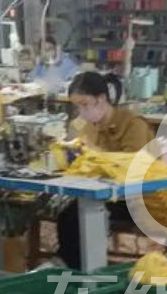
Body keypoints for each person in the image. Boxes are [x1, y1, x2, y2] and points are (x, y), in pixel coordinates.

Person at [57, 70, 154, 268]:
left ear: (101, 99)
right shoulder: (90, 126)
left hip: (138, 197)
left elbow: (132, 168)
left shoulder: (133, 125)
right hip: (105, 193)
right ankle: (71, 267)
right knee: (66, 216)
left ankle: (83, 272)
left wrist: (96, 154)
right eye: (77, 107)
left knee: (80, 217)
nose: (81, 112)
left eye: (84, 105)